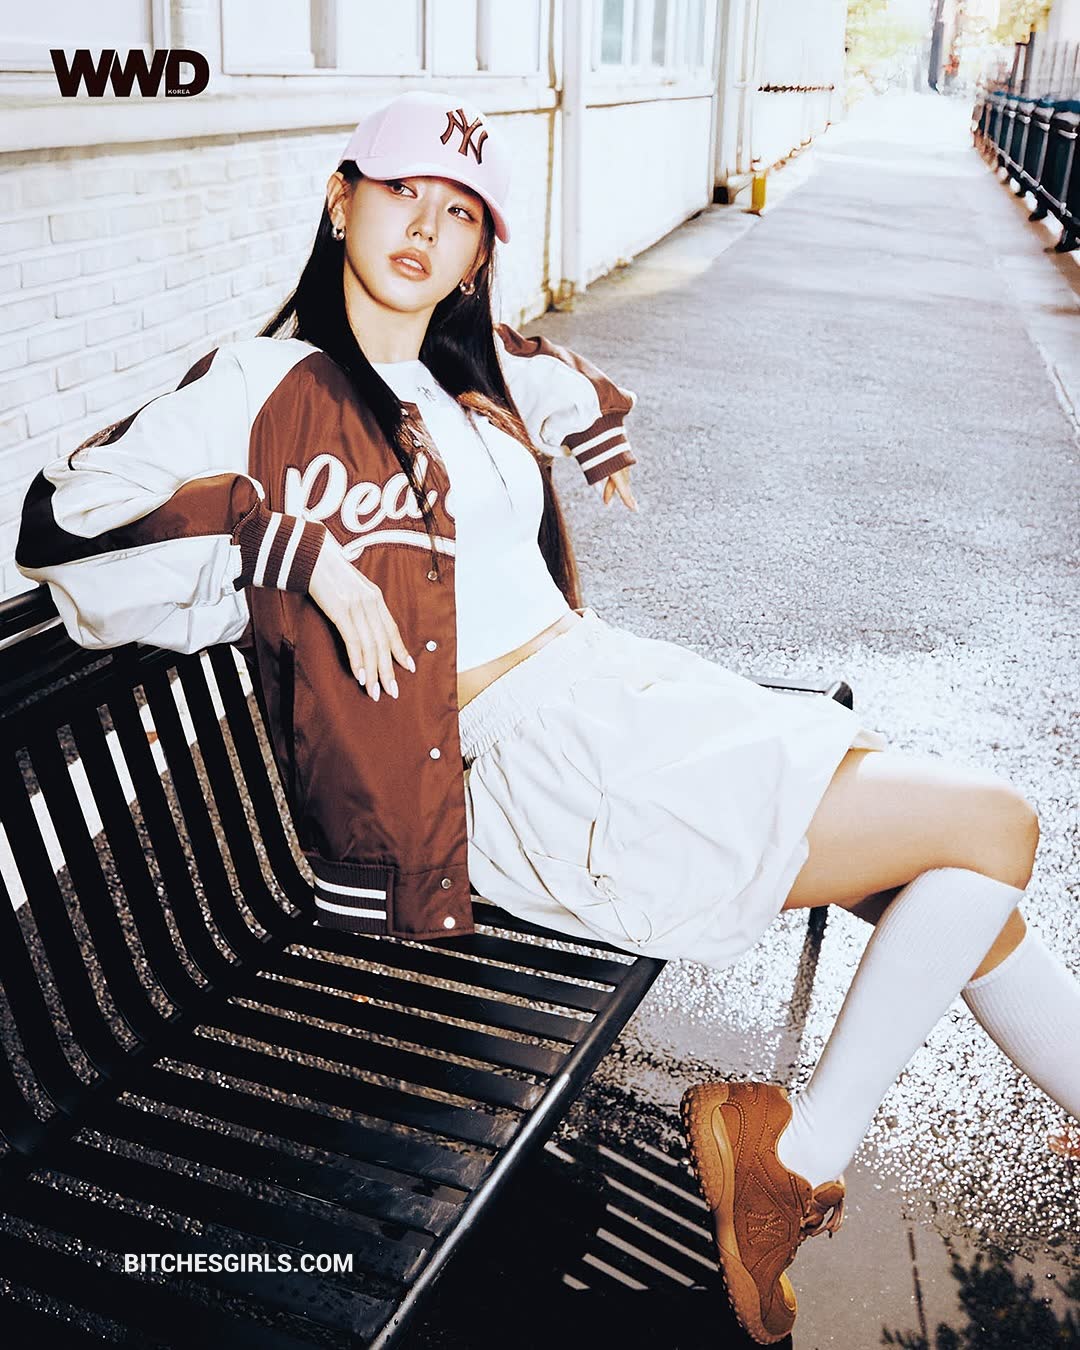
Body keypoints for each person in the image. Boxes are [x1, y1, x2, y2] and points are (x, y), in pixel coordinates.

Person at [14, 90, 1079, 1345]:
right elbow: (64, 521)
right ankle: (784, 1159)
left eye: (460, 214)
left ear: (479, 251)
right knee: (994, 827)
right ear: (340, 201)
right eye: (401, 194)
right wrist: (294, 548)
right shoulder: (262, 385)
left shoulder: (467, 376)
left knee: (968, 888)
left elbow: (567, 383)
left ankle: (789, 1154)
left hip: (613, 700)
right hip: (537, 776)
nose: (425, 229)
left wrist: (600, 438)